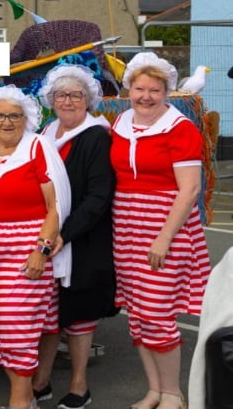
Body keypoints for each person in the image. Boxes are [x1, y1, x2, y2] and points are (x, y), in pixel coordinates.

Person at [110, 52, 211, 409]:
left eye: (155, 90)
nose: (146, 96)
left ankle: (173, 393)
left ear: (167, 90)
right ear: (129, 89)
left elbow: (190, 190)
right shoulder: (120, 123)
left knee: (156, 314)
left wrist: (164, 238)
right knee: (137, 314)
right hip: (126, 228)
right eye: (139, 88)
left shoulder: (180, 128)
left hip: (166, 227)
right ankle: (154, 389)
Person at [0, 84, 71, 409]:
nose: (7, 122)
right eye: (0, 115)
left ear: (26, 118)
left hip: (24, 248)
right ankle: (25, 397)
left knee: (16, 328)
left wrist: (40, 249)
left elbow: (54, 207)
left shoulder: (38, 147)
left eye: (14, 115)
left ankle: (19, 402)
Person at [32, 64, 118, 409]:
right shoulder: (46, 133)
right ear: (51, 100)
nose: (67, 101)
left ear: (88, 99)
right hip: (49, 236)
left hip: (83, 237)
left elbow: (98, 195)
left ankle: (80, 386)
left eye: (75, 95)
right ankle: (41, 381)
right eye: (61, 95)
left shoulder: (96, 136)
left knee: (79, 313)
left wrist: (64, 236)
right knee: (51, 312)